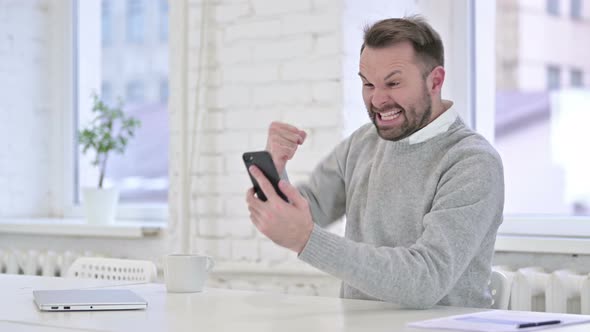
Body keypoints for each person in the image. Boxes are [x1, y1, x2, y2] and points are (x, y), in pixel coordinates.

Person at [245, 16, 504, 309]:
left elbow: (426, 280)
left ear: (435, 80)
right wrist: (274, 173)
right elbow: (310, 210)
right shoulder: (363, 143)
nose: (378, 100)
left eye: (392, 83)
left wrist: (308, 240)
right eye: (368, 84)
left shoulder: (472, 162)